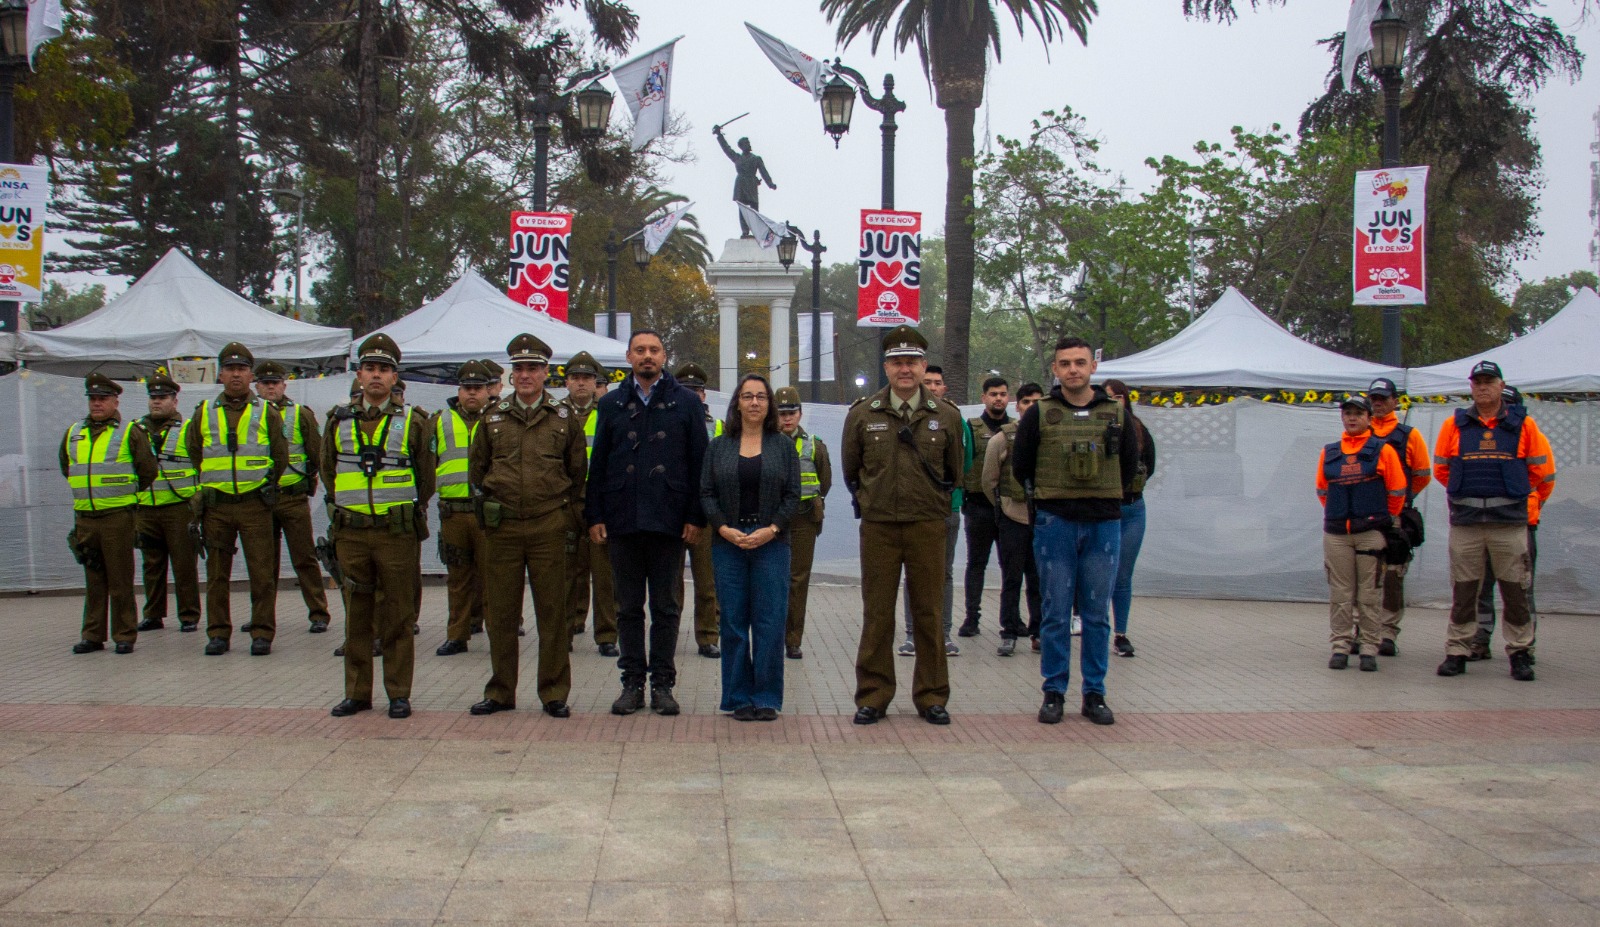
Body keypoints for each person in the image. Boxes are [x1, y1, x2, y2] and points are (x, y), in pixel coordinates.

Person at [1012, 336, 1140, 726]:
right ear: (1054, 369)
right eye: (1065, 363)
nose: (1073, 370)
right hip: (1056, 523)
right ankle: (1053, 692)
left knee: (1097, 614)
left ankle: (1094, 693)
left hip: (1103, 523)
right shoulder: (1040, 413)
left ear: (1093, 367)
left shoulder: (1116, 414)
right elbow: (1022, 466)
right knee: (1054, 612)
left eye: (1080, 363)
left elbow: (1132, 463)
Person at [844, 326, 965, 726]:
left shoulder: (945, 416)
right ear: (886, 367)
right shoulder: (864, 414)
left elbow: (955, 471)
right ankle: (874, 696)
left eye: (912, 361)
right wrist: (869, 501)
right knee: (877, 613)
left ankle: (931, 696)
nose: (905, 369)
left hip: (928, 525)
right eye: (897, 362)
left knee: (928, 612)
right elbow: (852, 470)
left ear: (923, 365)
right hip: (878, 526)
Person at [586, 330, 709, 716]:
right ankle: (632, 683)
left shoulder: (686, 403)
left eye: (654, 350)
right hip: (622, 518)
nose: (647, 356)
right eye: (640, 350)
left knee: (666, 607)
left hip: (668, 520)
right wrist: (596, 515)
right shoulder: (610, 404)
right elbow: (599, 463)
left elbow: (700, 464)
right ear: (628, 356)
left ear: (664, 356)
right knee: (627, 608)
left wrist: (695, 517)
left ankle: (662, 684)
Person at [467, 335, 587, 718]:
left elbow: (577, 474)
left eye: (532, 368)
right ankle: (501, 691)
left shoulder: (564, 419)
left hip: (548, 525)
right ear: (510, 374)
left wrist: (566, 519)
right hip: (502, 528)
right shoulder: (492, 417)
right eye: (518, 368)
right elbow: (478, 470)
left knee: (552, 612)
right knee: (500, 613)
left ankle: (553, 692)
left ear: (546, 373)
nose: (525, 375)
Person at [326, 334, 434, 719]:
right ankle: (357, 693)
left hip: (396, 533)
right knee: (356, 614)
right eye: (370, 368)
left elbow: (426, 478)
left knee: (398, 614)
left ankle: (398, 693)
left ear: (394, 377)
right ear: (359, 374)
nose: (376, 376)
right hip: (352, 533)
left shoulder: (415, 422)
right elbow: (329, 472)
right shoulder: (337, 419)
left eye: (384, 369)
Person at [1434, 361, 1555, 681]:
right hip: (1467, 523)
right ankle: (1458, 651)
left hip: (1509, 524)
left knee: (1515, 591)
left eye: (1489, 381)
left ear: (1502, 385)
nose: (1483, 387)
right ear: (1471, 387)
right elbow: (1442, 470)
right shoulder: (1454, 425)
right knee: (1465, 591)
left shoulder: (1524, 425)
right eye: (1478, 382)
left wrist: (1508, 493)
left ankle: (1519, 652)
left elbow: (1538, 471)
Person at [701, 374, 801, 721]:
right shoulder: (719, 446)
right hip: (728, 543)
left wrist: (771, 529)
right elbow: (707, 493)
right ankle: (738, 697)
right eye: (748, 396)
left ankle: (767, 697)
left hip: (771, 544)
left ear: (769, 404)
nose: (755, 402)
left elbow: (793, 495)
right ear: (737, 403)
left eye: (761, 396)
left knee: (770, 622)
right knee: (732, 622)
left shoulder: (783, 446)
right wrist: (724, 528)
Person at [187, 343, 289, 656]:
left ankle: (262, 632)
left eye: (242, 369)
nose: (236, 374)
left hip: (254, 504)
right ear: (220, 373)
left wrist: (262, 484)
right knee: (217, 575)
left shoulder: (266, 412)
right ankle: (218, 633)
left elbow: (280, 455)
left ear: (250, 375)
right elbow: (195, 452)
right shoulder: (204, 412)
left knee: (261, 572)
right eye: (230, 368)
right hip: (217, 506)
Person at [62, 373, 157, 654]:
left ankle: (124, 634)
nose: (97, 404)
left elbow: (148, 470)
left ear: (116, 401)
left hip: (117, 516)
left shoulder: (130, 432)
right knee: (93, 579)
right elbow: (66, 466)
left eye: (103, 399)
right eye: (93, 399)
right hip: (86, 517)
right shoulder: (73, 432)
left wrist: (124, 493)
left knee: (120, 578)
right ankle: (92, 634)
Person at [1316, 395, 1408, 672]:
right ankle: (1340, 646)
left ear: (1369, 418)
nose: (1352, 418)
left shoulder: (1383, 450)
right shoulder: (1329, 452)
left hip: (1370, 533)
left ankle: (1369, 647)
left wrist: (1378, 519)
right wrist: (1342, 515)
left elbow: (1397, 491)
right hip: (1337, 533)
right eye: (1348, 414)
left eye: (1358, 413)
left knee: (1369, 593)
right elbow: (1322, 490)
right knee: (1341, 593)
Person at [253, 361, 330, 634]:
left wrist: (310, 485)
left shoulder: (300, 414)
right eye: (265, 382)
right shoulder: (249, 416)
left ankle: (319, 612)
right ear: (256, 386)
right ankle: (260, 616)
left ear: (284, 385)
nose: (270, 387)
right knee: (262, 563)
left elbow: (316, 454)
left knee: (304, 557)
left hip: (292, 498)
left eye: (275, 382)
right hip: (259, 500)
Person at [897, 364, 968, 658]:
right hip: (911, 511)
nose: (933, 387)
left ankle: (945, 632)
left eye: (937, 383)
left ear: (944, 388)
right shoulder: (902, 418)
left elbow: (965, 463)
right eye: (928, 382)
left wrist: (950, 495)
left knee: (944, 573)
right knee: (911, 573)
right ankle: (913, 635)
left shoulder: (953, 418)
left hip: (946, 508)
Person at [1470, 384, 1539, 662]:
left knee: (1520, 588)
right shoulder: (1477, 435)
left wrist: (1524, 507)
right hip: (1482, 522)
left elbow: (1543, 478)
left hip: (1519, 525)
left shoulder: (1528, 433)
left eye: (1510, 404)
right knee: (1479, 587)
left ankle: (1526, 643)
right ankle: (1480, 638)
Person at [1364, 377, 1431, 657]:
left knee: (1392, 575)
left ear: (1395, 401)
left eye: (1383, 398)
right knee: (1365, 574)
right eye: (1374, 399)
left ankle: (1387, 632)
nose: (1378, 403)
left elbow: (1423, 475)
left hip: (1394, 517)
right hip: (1364, 516)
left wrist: (1399, 502)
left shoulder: (1408, 435)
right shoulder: (1359, 431)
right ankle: (1362, 630)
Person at [432, 360, 494, 656]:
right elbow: (426, 462)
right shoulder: (439, 420)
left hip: (488, 512)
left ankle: (497, 633)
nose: (472, 393)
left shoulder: (498, 419)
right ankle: (457, 635)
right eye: (467, 388)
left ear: (487, 391)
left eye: (478, 388)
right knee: (458, 578)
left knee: (493, 576)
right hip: (454, 511)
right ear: (458, 391)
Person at [133, 373, 200, 634]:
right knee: (151, 565)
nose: (156, 403)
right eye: (153, 398)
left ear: (175, 400)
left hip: (178, 506)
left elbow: (202, 463)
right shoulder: (136, 430)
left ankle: (189, 615)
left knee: (184, 564)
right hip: (146, 506)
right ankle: (153, 614)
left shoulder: (188, 429)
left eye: (162, 398)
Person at [562, 351, 619, 657]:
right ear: (567, 382)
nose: (581, 383)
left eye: (587, 378)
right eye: (575, 378)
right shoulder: (555, 413)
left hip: (601, 502)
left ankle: (607, 634)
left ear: (596, 382)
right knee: (569, 569)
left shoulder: (609, 412)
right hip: (567, 501)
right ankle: (570, 625)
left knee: (604, 571)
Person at [981, 382, 1043, 656]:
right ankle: (1008, 632)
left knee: (1039, 581)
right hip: (1012, 518)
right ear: (1017, 406)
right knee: (1012, 579)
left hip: (1044, 521)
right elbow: (988, 480)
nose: (1031, 406)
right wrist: (1003, 506)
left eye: (1037, 402)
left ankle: (1039, 632)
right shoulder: (1002, 439)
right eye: (1026, 402)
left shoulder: (1050, 438)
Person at [776, 386, 832, 660]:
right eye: (782, 413)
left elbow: (825, 481)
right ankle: (771, 635)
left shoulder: (815, 445)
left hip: (803, 519)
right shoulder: (764, 443)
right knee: (772, 579)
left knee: (798, 580)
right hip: (772, 520)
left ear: (800, 414)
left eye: (792, 413)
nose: (787, 419)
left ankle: (793, 639)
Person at [1102, 379, 1155, 659]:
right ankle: (1092, 625)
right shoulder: (1096, 426)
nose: (1115, 402)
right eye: (1109, 398)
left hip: (1132, 509)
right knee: (1099, 573)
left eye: (1118, 397)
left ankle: (1120, 633)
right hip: (1104, 510)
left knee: (1122, 575)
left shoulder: (1138, 429)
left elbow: (1151, 466)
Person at [673, 362, 723, 659]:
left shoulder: (718, 427)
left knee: (708, 582)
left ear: (704, 395)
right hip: (673, 511)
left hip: (706, 513)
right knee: (670, 584)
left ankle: (708, 636)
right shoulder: (666, 423)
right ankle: (669, 634)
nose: (692, 395)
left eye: (697, 390)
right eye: (685, 390)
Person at [956, 376, 1011, 640]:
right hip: (978, 505)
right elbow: (963, 462)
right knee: (976, 564)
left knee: (1010, 565)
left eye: (1002, 394)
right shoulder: (972, 427)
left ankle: (1011, 619)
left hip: (1010, 506)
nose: (998, 398)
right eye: (993, 394)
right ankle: (971, 617)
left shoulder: (1016, 429)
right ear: (984, 398)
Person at [714, 127, 776, 237]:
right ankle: (745, 231)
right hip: (741, 184)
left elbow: (763, 172)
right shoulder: (737, 158)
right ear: (741, 146)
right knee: (742, 209)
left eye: (749, 142)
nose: (749, 144)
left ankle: (756, 231)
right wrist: (719, 135)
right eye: (746, 143)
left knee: (754, 209)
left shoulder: (756, 158)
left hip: (751, 184)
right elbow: (726, 149)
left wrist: (770, 183)